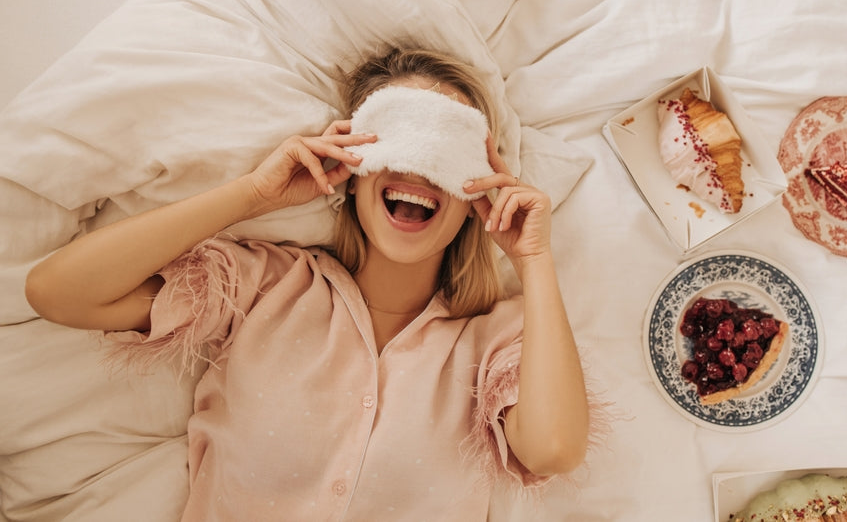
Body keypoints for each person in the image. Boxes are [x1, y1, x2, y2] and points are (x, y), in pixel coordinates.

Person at [25, 48, 600, 520]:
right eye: (400, 137)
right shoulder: (261, 289)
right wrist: (254, 194)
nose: (419, 166)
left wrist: (534, 257)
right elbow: (57, 292)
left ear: (478, 191)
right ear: (351, 171)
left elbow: (552, 448)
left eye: (447, 146)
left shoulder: (495, 344)